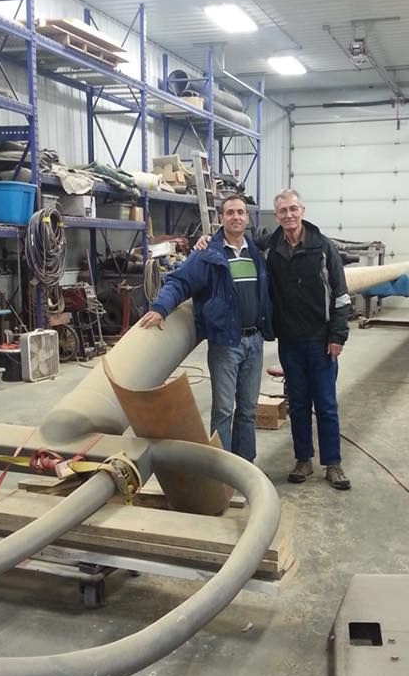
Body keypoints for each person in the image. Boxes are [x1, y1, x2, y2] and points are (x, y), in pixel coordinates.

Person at [139, 194, 273, 462]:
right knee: (224, 410)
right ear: (221, 218)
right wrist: (160, 307)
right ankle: (221, 470)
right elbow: (180, 282)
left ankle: (246, 466)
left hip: (254, 341)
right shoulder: (208, 254)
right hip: (225, 343)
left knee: (247, 409)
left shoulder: (255, 252)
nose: (236, 217)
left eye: (240, 212)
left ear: (247, 218)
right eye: (230, 212)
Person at [267, 189, 352, 490]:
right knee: (299, 404)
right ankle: (303, 460)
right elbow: (236, 244)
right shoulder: (271, 249)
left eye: (293, 209)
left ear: (302, 209)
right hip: (289, 342)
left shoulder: (323, 248)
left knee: (326, 405)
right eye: (282, 211)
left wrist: (338, 335)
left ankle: (333, 464)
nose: (288, 215)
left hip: (321, 341)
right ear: (276, 216)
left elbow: (341, 297)